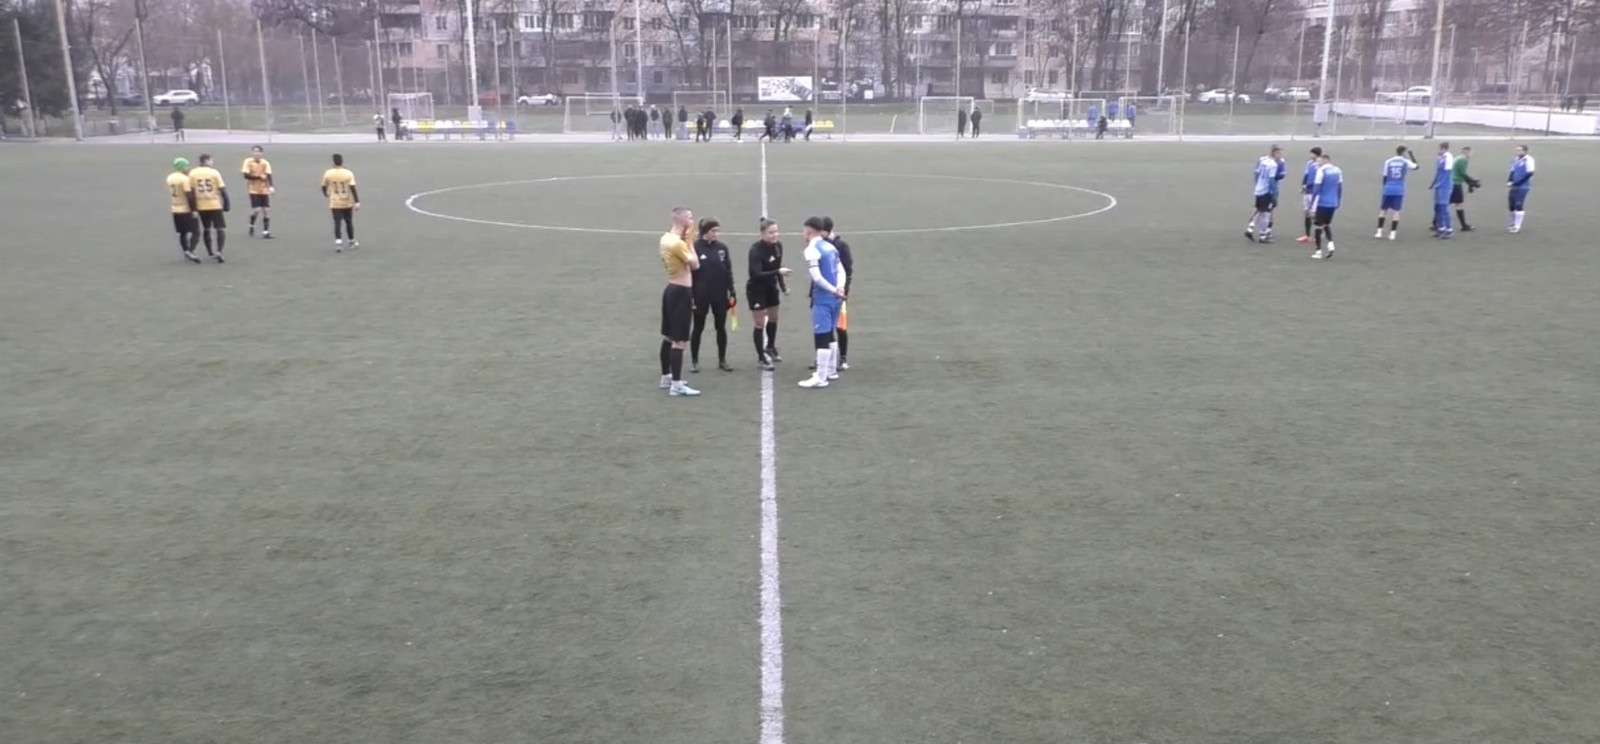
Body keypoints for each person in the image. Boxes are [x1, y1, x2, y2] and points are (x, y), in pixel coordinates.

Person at [797, 216, 848, 389]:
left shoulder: (812, 249)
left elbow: (817, 278)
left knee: (821, 336)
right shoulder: (830, 246)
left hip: (823, 299)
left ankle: (821, 377)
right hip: (836, 299)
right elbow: (841, 270)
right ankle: (831, 371)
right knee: (830, 333)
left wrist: (833, 290)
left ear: (809, 231)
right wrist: (840, 288)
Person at [658, 207, 701, 396]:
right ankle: (676, 385)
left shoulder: (665, 238)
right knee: (680, 340)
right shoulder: (678, 243)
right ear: (683, 221)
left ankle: (666, 377)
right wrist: (690, 241)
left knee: (668, 336)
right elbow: (695, 264)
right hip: (681, 292)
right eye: (690, 217)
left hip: (670, 290)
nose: (693, 220)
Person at [690, 217, 736, 373]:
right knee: (698, 328)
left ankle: (722, 360)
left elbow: (728, 271)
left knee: (720, 328)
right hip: (701, 295)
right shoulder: (695, 248)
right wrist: (691, 295)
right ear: (705, 231)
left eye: (717, 230)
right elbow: (690, 274)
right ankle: (694, 361)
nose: (716, 234)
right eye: (713, 231)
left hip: (719, 294)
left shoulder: (722, 248)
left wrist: (732, 291)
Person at [747, 218, 792, 370]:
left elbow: (778, 267)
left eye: (776, 232)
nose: (774, 235)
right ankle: (761, 358)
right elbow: (756, 274)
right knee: (760, 323)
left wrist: (783, 287)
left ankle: (770, 347)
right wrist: (778, 271)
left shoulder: (778, 246)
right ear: (762, 234)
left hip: (771, 288)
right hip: (757, 290)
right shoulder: (755, 250)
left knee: (773, 318)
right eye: (771, 232)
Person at [810, 217, 853, 371]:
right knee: (821, 327)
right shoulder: (819, 245)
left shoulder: (840, 246)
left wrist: (842, 290)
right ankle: (821, 359)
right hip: (821, 294)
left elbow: (847, 271)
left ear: (825, 231)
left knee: (840, 327)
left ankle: (842, 358)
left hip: (838, 294)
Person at [188, 154, 229, 263]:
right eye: (211, 160)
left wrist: (193, 208)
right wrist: (226, 203)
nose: (212, 162)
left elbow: (191, 192)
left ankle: (210, 251)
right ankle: (219, 251)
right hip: (214, 204)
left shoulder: (193, 173)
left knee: (207, 228)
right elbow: (222, 189)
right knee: (220, 228)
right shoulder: (214, 172)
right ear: (206, 161)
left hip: (201, 205)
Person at [1375, 145, 1418, 240]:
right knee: (1396, 211)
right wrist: (1411, 154)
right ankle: (1392, 233)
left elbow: (1385, 176)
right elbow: (1416, 167)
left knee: (1383, 210)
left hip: (1388, 188)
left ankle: (1379, 232)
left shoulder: (1388, 161)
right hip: (1399, 189)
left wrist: (1385, 187)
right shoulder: (1405, 162)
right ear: (1403, 152)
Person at [321, 153, 360, 252]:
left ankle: (338, 242)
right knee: (349, 222)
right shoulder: (348, 173)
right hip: (347, 201)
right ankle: (351, 241)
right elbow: (352, 188)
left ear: (333, 162)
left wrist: (326, 194)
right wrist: (357, 201)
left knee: (337, 222)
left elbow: (323, 186)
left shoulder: (328, 173)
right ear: (342, 162)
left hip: (335, 202)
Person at [165, 157, 202, 263]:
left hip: (175, 209)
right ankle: (191, 250)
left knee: (183, 233)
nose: (189, 168)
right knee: (196, 232)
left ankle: (186, 250)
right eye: (187, 166)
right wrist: (194, 210)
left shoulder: (170, 177)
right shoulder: (184, 179)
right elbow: (189, 195)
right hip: (185, 209)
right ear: (182, 167)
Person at [1246, 145, 1284, 243]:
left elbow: (1257, 173)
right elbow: (1271, 180)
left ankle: (1250, 228)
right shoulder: (1273, 165)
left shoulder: (1263, 161)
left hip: (1259, 189)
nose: (1280, 155)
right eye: (1279, 153)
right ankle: (1263, 236)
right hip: (1266, 191)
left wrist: (1257, 184)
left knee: (1259, 210)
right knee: (1266, 214)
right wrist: (1273, 194)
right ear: (1275, 152)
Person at [1309, 151, 1342, 260]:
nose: (1319, 163)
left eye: (1320, 161)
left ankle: (1318, 251)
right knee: (1326, 224)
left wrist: (1312, 205)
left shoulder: (1321, 171)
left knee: (1318, 226)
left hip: (1322, 203)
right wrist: (1338, 200)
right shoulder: (1337, 170)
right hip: (1332, 203)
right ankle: (1331, 244)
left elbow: (1316, 189)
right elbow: (1339, 187)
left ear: (1325, 160)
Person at [241, 145, 275, 239]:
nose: (256, 154)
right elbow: (246, 175)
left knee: (266, 210)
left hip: (264, 189)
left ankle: (266, 232)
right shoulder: (248, 162)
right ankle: (251, 224)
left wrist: (271, 186)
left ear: (261, 153)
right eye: (254, 151)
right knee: (256, 210)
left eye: (258, 152)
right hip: (253, 189)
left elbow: (269, 175)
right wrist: (259, 177)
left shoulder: (265, 163)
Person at [1296, 146, 1324, 243]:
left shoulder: (1320, 165)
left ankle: (1319, 234)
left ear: (1315, 154)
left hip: (1315, 192)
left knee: (1314, 214)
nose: (1309, 155)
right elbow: (1306, 175)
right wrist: (1303, 186)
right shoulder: (1309, 163)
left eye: (1311, 153)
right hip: (1307, 191)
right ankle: (1307, 235)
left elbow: (1319, 179)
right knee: (1307, 213)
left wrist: (1308, 186)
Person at [1427, 142, 1455, 239]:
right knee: (1437, 208)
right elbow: (1438, 172)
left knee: (1443, 208)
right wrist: (1433, 184)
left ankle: (1448, 230)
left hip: (1445, 186)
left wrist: (1440, 183)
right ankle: (1440, 229)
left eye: (1439, 149)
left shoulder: (1448, 157)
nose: (1438, 151)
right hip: (1439, 186)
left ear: (1444, 149)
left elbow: (1447, 173)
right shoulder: (1440, 158)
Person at [1450, 145, 1481, 232]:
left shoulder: (1458, 158)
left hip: (1452, 182)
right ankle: (1464, 225)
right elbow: (1462, 173)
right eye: (1471, 152)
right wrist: (1472, 181)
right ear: (1467, 152)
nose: (1472, 154)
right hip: (1456, 183)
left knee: (1447, 202)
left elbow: (1460, 173)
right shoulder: (1463, 160)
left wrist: (1470, 182)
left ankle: (1434, 223)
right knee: (1459, 204)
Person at [1507, 144, 1535, 233]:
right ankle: (1513, 223)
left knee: (1518, 205)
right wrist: (1510, 180)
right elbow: (1512, 171)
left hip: (1523, 186)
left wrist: (1518, 183)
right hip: (1514, 185)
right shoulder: (1516, 159)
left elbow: (1530, 173)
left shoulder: (1529, 160)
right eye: (1517, 150)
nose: (1518, 152)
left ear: (1525, 151)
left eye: (1520, 150)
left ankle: (1517, 226)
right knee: (1511, 206)